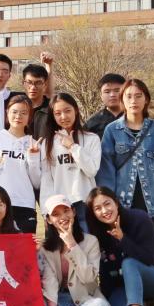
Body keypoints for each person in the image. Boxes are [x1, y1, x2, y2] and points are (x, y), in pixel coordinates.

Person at [96, 79, 154, 241]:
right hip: (122, 206)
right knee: (125, 250)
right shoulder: (112, 130)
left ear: (146, 99)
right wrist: (110, 202)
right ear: (122, 100)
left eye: (138, 96)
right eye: (128, 96)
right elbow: (105, 171)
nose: (133, 101)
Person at [38, 194, 110, 306]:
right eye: (56, 214)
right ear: (49, 220)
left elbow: (88, 278)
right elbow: (49, 283)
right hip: (58, 300)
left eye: (66, 211)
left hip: (85, 301)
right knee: (35, 303)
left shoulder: (91, 241)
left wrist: (72, 244)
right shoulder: (45, 248)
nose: (63, 217)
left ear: (74, 212)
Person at [27, 92, 100, 230]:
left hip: (85, 202)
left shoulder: (91, 138)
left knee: (88, 241)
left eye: (67, 111)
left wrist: (73, 147)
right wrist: (46, 210)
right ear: (52, 116)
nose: (63, 116)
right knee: (63, 243)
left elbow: (91, 171)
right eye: (58, 113)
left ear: (76, 110)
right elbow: (45, 180)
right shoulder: (48, 143)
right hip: (59, 206)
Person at [0, 95, 39, 233]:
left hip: (24, 204)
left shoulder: (34, 144)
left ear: (29, 117)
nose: (18, 116)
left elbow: (36, 182)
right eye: (14, 112)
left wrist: (33, 158)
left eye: (24, 113)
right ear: (7, 113)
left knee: (22, 246)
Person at [83, 73, 126, 139]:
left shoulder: (136, 118)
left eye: (117, 90)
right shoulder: (91, 124)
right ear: (101, 95)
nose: (112, 95)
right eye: (107, 92)